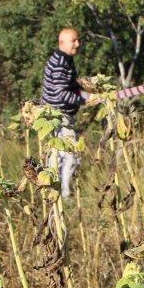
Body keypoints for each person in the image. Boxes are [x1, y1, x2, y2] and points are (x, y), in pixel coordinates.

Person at [42, 27, 95, 198]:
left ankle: (53, 191)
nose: (77, 44)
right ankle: (65, 194)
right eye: (73, 41)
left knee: (58, 154)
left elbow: (69, 85)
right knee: (70, 154)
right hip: (59, 115)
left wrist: (88, 89)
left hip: (59, 114)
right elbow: (61, 94)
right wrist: (86, 99)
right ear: (62, 42)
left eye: (78, 40)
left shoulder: (66, 59)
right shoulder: (60, 63)